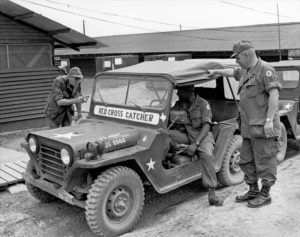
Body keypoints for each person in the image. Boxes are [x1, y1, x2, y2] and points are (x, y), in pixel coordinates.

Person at [207, 40, 282, 208]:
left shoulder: (265, 70)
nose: (236, 61)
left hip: (264, 127)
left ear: (247, 55)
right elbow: (231, 72)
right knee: (246, 160)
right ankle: (253, 190)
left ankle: (265, 194)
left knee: (265, 160)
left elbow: (274, 95)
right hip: (248, 127)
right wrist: (217, 72)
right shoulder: (245, 71)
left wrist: (269, 120)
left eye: (237, 57)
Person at [169, 85, 224, 206]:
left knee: (207, 155)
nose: (177, 94)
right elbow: (170, 116)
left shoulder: (203, 104)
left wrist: (196, 144)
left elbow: (206, 126)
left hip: (202, 136)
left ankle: (212, 193)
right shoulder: (180, 104)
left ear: (189, 92)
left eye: (180, 91)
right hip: (186, 134)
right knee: (165, 135)